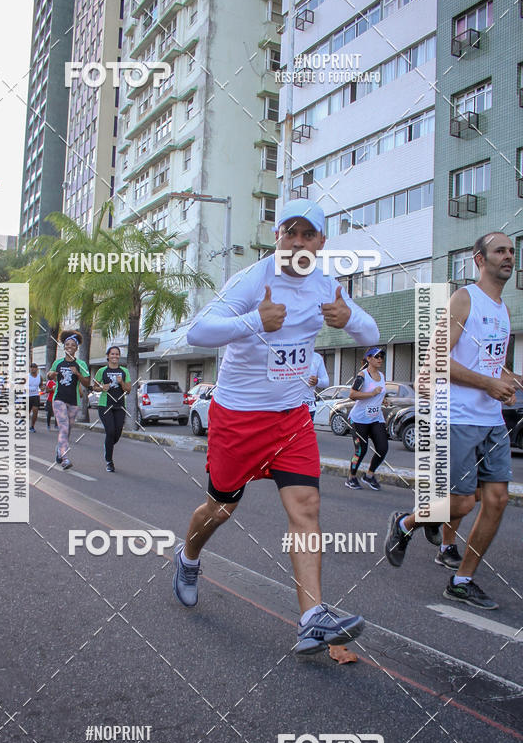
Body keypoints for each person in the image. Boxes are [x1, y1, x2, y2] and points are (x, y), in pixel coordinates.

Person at [172, 199, 380, 655]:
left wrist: (351, 320)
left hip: (291, 418)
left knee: (305, 507)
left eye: (309, 235)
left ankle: (311, 618)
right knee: (220, 510)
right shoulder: (254, 279)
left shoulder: (328, 285)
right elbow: (197, 332)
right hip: (238, 418)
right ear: (278, 237)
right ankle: (188, 558)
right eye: (291, 232)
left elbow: (370, 334)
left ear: (321, 243)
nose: (298, 242)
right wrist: (254, 322)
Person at [385, 232, 517, 609]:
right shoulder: (464, 300)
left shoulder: (502, 309)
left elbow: (487, 361)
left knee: (497, 499)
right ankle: (405, 524)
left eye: (511, 251)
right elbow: (435, 362)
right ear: (480, 259)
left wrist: (506, 379)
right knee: (459, 506)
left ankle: (462, 579)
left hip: (492, 420)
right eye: (500, 251)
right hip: (459, 419)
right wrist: (489, 382)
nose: (509, 256)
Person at [345, 347, 389, 491]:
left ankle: (369, 476)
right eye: (377, 356)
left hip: (376, 418)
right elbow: (352, 394)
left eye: (382, 356)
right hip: (359, 419)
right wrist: (371, 394)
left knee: (382, 448)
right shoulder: (362, 375)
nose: (380, 359)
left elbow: (379, 393)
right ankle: (351, 477)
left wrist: (383, 400)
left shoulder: (382, 376)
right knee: (361, 450)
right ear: (369, 359)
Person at [47, 331, 90, 470]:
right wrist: (51, 374)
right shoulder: (58, 363)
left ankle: (59, 449)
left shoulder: (81, 364)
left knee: (68, 430)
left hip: (74, 400)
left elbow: (87, 383)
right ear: (64, 347)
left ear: (76, 348)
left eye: (73, 345)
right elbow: (49, 375)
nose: (70, 346)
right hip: (58, 398)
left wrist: (77, 373)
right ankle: (65, 458)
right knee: (64, 428)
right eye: (67, 344)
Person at [92, 346, 131, 472]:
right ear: (108, 356)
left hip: (119, 406)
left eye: (117, 354)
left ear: (119, 356)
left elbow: (128, 390)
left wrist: (121, 383)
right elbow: (95, 387)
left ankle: (108, 446)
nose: (115, 356)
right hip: (105, 405)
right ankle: (109, 461)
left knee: (117, 433)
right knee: (110, 431)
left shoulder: (124, 371)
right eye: (112, 354)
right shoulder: (102, 371)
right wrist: (102, 387)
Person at [303, 351, 329, 422]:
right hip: (289, 405)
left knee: (306, 433)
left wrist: (317, 381)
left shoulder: (316, 357)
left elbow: (326, 382)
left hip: (308, 406)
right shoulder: (288, 353)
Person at [28, 363, 43, 433]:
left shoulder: (40, 377)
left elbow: (41, 386)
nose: (32, 369)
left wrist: (44, 388)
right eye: (31, 367)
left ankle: (32, 426)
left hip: (36, 395)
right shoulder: (26, 377)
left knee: (35, 411)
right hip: (27, 396)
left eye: (34, 367)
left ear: (37, 369)